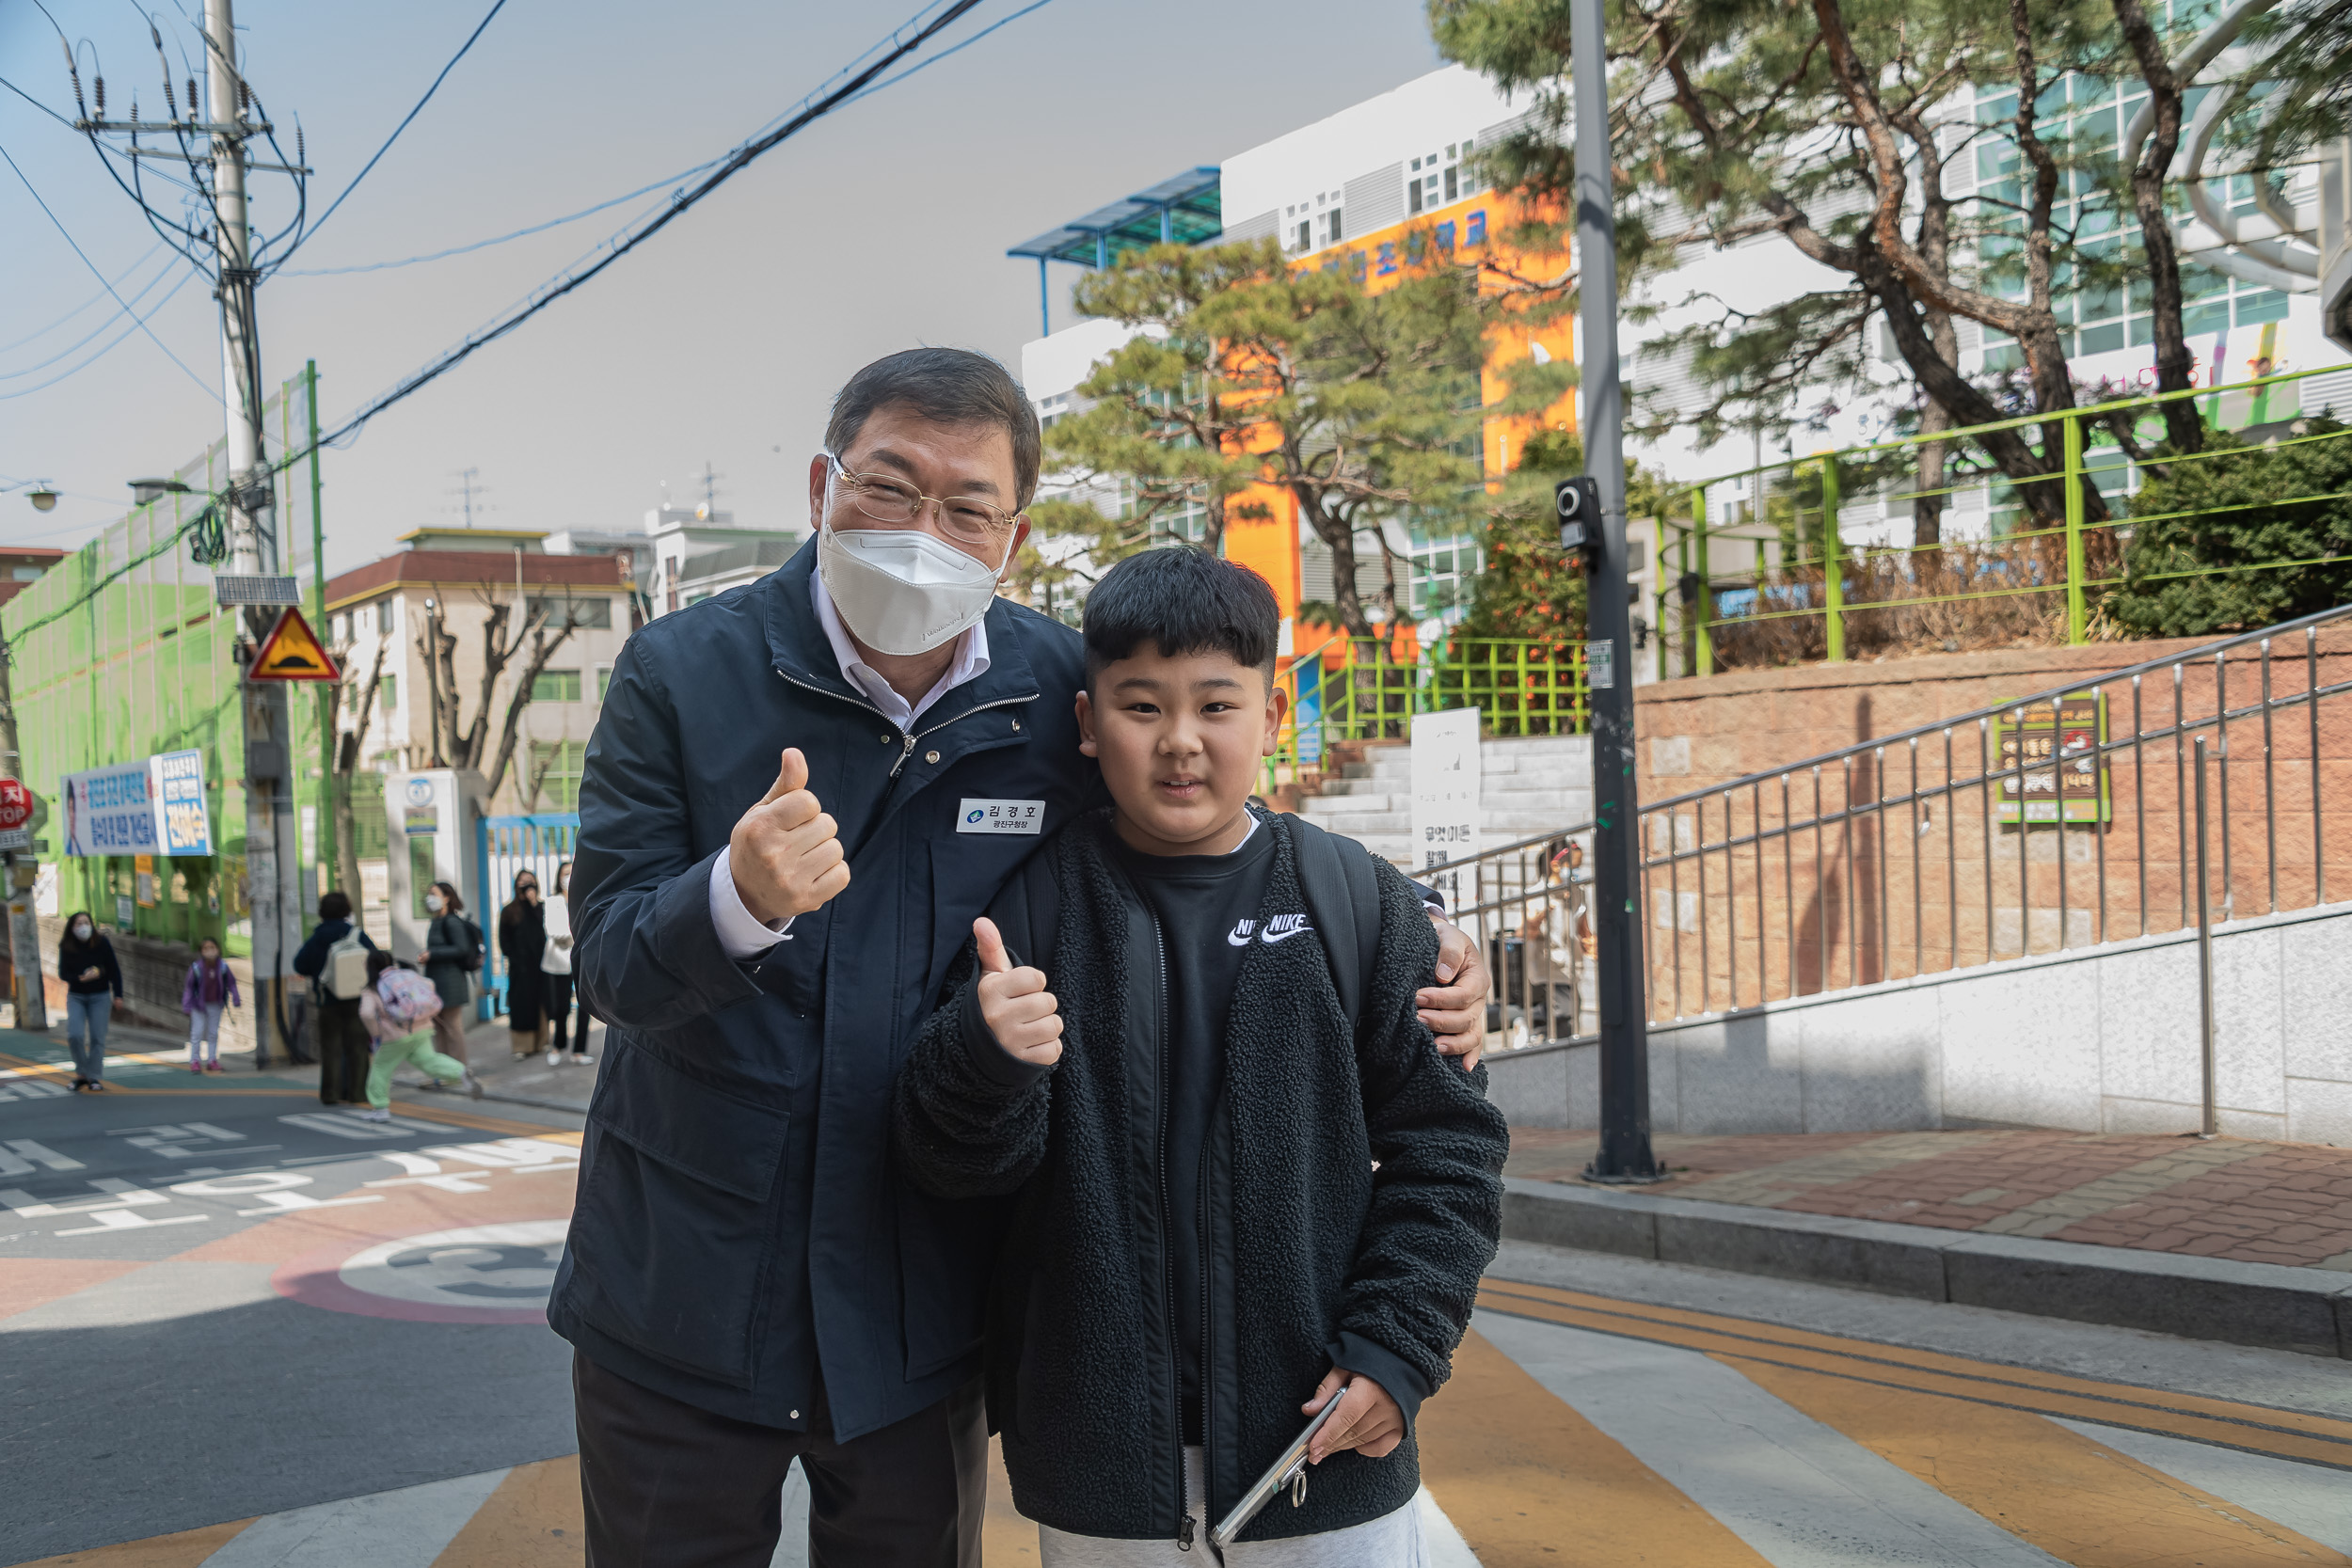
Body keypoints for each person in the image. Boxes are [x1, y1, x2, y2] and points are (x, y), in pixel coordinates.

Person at [555, 347, 1493, 1568]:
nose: (922, 531)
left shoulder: (1060, 688)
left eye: (966, 508)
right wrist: (732, 897)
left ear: (1013, 534)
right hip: (679, 1293)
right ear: (820, 486)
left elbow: (1192, 816)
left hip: (916, 1307)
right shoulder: (679, 676)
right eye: (889, 489)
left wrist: (1406, 928)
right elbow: (608, 963)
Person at [894, 547, 1508, 1564]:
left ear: (1271, 718)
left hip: (1325, 1449)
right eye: (1141, 706)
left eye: (1217, 706)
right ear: (1088, 725)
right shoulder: (1031, 909)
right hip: (1101, 1474)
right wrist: (984, 1060)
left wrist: (1396, 1350)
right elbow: (951, 1165)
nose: (1180, 741)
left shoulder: (1356, 900)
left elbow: (1450, 1148)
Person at [356, 949, 483, 1120]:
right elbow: (429, 986)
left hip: (394, 1036)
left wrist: (376, 1032)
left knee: (381, 1069)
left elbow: (367, 1014)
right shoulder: (408, 975)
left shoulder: (373, 987)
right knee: (429, 1060)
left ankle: (380, 1109)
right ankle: (460, 1072)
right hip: (422, 1029)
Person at [293, 892, 377, 1105]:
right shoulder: (356, 935)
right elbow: (375, 958)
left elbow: (299, 964)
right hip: (357, 999)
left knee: (331, 1049)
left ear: (322, 911)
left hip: (328, 1001)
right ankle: (358, 1093)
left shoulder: (317, 937)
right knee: (358, 1047)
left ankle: (331, 1094)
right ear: (346, 910)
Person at [1518, 840, 1594, 1046]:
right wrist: (1539, 917)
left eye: (1578, 866)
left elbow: (1583, 927)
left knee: (1571, 1014)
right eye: (1573, 866)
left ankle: (1545, 1039)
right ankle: (1530, 1023)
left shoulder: (1578, 892)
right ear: (1555, 865)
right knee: (1564, 1012)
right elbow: (1524, 933)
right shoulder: (1538, 893)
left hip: (1571, 966)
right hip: (1548, 968)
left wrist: (1591, 944)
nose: (1576, 872)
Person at [57, 911, 122, 1093]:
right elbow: (63, 973)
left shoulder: (102, 943)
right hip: (76, 996)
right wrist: (79, 979)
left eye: (86, 923)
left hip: (100, 996)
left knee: (97, 1037)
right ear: (72, 927)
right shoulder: (66, 946)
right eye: (79, 924)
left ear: (92, 925)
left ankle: (94, 1076)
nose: (83, 927)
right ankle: (81, 1074)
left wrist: (118, 995)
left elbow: (114, 971)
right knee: (74, 1035)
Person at [421, 881, 481, 1069]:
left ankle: (459, 1069)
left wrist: (433, 954)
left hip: (451, 982)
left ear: (446, 898)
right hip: (436, 981)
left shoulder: (452, 921)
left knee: (453, 1029)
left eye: (434, 893)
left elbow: (461, 948)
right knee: (439, 1028)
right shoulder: (436, 921)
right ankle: (445, 1070)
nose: (429, 898)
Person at [543, 860, 591, 1068]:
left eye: (571, 872)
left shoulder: (587, 897)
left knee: (585, 1007)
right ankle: (558, 1046)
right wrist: (579, 933)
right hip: (559, 961)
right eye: (564, 873)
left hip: (582, 959)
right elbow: (553, 931)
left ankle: (579, 1051)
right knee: (560, 1007)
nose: (568, 877)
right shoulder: (553, 901)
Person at [498, 872, 548, 1061]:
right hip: (520, 967)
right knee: (521, 1005)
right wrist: (516, 958)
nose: (527, 885)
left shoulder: (541, 907)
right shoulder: (509, 910)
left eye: (530, 881)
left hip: (541, 965)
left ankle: (540, 1042)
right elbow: (504, 940)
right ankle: (521, 1046)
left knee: (540, 1003)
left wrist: (534, 904)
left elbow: (545, 931)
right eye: (522, 881)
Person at [179, 936, 241, 1073]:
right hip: (198, 1006)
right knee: (197, 1033)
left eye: (212, 948)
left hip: (215, 1005)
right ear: (201, 951)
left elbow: (231, 983)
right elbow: (189, 988)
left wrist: (236, 997)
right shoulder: (196, 968)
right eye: (206, 948)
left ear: (218, 950)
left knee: (213, 1033)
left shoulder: (223, 967)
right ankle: (195, 1061)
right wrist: (187, 1005)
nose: (209, 951)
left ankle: (212, 1060)